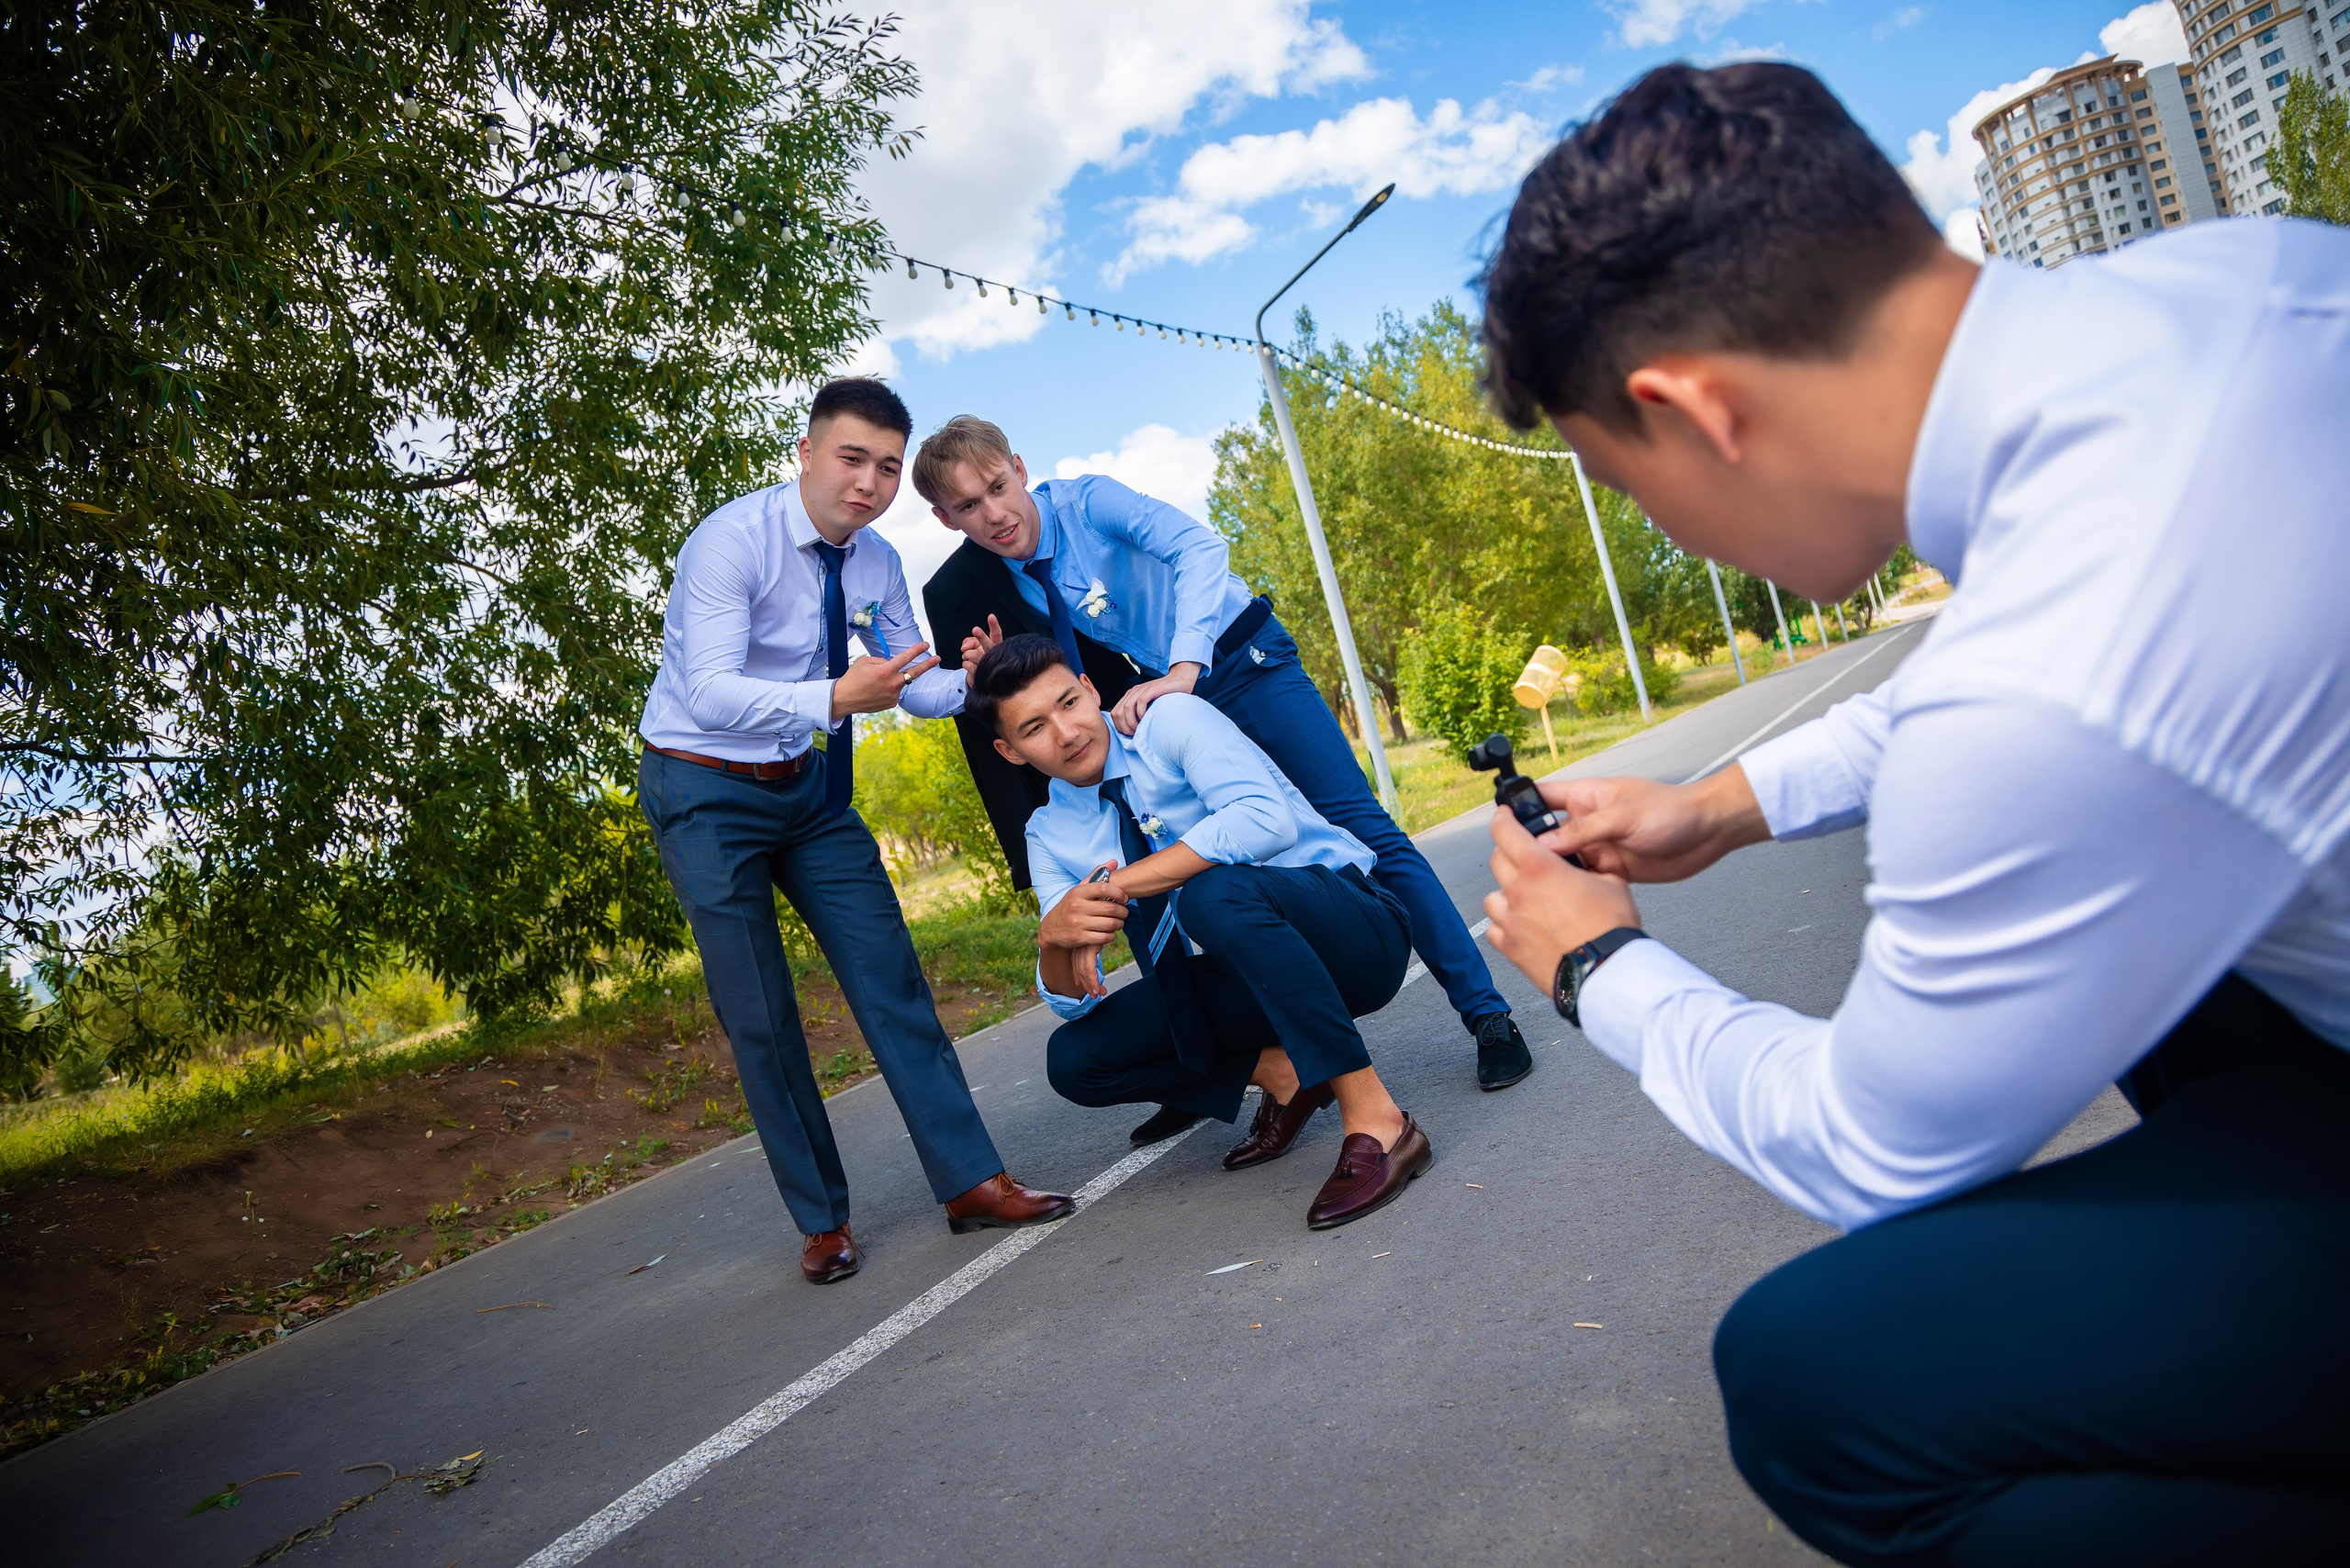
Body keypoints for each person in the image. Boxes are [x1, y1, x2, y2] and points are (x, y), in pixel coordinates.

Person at [1472, 61, 2350, 1567]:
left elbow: (1870, 1147)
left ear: (1695, 408)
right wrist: (1719, 808)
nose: (1661, 530)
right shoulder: (2249, 275)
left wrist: (1599, 967)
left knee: (1820, 1378)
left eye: (1626, 484)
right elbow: (2043, 685)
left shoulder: (2051, 687)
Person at [911, 415, 1537, 1109]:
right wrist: (978, 672)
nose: (994, 513)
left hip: (1239, 662)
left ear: (1019, 468)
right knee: (1160, 866)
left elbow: (1200, 548)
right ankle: (1216, 1073)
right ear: (945, 518)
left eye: (998, 487)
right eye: (969, 506)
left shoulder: (1089, 503)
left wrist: (1184, 667)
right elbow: (1023, 693)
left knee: (1365, 830)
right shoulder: (1006, 581)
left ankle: (1486, 1015)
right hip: (1166, 697)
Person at [636, 377, 1075, 1287]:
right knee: (760, 1014)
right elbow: (710, 690)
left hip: (808, 788)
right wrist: (835, 696)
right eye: (851, 458)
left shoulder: (874, 562)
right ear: (805, 452)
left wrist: (975, 680)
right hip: (704, 787)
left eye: (884, 466)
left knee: (891, 977)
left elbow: (911, 685)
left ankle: (969, 1181)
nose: (869, 482)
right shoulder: (730, 543)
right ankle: (820, 1220)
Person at [968, 633, 1432, 1229]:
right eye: (1034, 729)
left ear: (1089, 690)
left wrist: (1123, 884)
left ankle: (1381, 1123)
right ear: (1010, 752)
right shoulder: (1049, 832)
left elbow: (1265, 823)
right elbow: (1072, 995)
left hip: (1355, 930)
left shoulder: (1168, 722)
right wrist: (1054, 936)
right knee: (1077, 1058)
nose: (1065, 733)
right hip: (1257, 973)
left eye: (1067, 704)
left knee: (1213, 895)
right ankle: (1282, 1073)